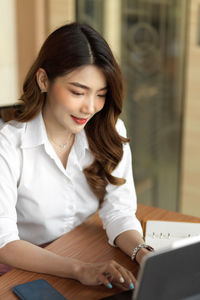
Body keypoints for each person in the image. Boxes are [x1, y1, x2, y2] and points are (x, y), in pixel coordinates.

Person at [0, 22, 153, 290]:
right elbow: (4, 243)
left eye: (101, 95)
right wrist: (79, 269)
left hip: (83, 248)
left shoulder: (109, 131)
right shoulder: (9, 144)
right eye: (78, 92)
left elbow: (118, 210)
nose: (90, 107)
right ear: (44, 80)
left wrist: (142, 253)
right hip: (24, 264)